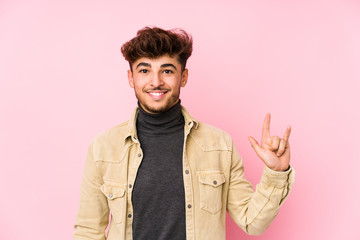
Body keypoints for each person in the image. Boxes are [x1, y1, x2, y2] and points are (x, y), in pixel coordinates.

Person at [73, 26, 295, 240]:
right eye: (144, 70)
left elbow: (252, 222)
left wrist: (276, 173)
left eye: (167, 71)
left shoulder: (219, 144)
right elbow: (88, 231)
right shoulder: (103, 148)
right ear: (131, 78)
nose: (156, 81)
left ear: (184, 76)